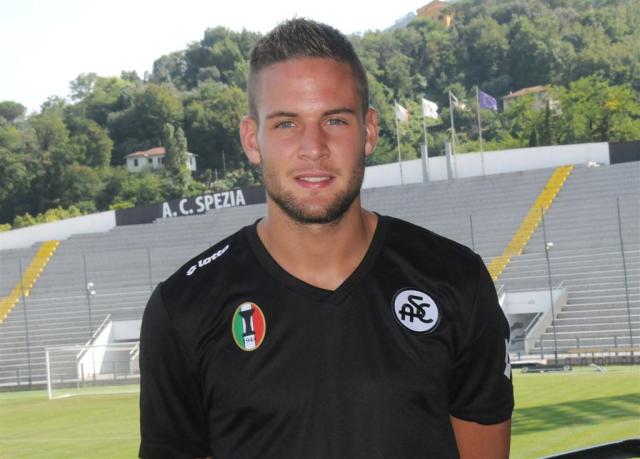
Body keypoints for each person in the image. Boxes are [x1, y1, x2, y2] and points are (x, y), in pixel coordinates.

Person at [139, 18, 513, 459]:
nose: (313, 147)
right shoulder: (183, 308)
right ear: (252, 140)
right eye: (286, 124)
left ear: (368, 131)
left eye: (334, 120)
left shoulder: (456, 281)